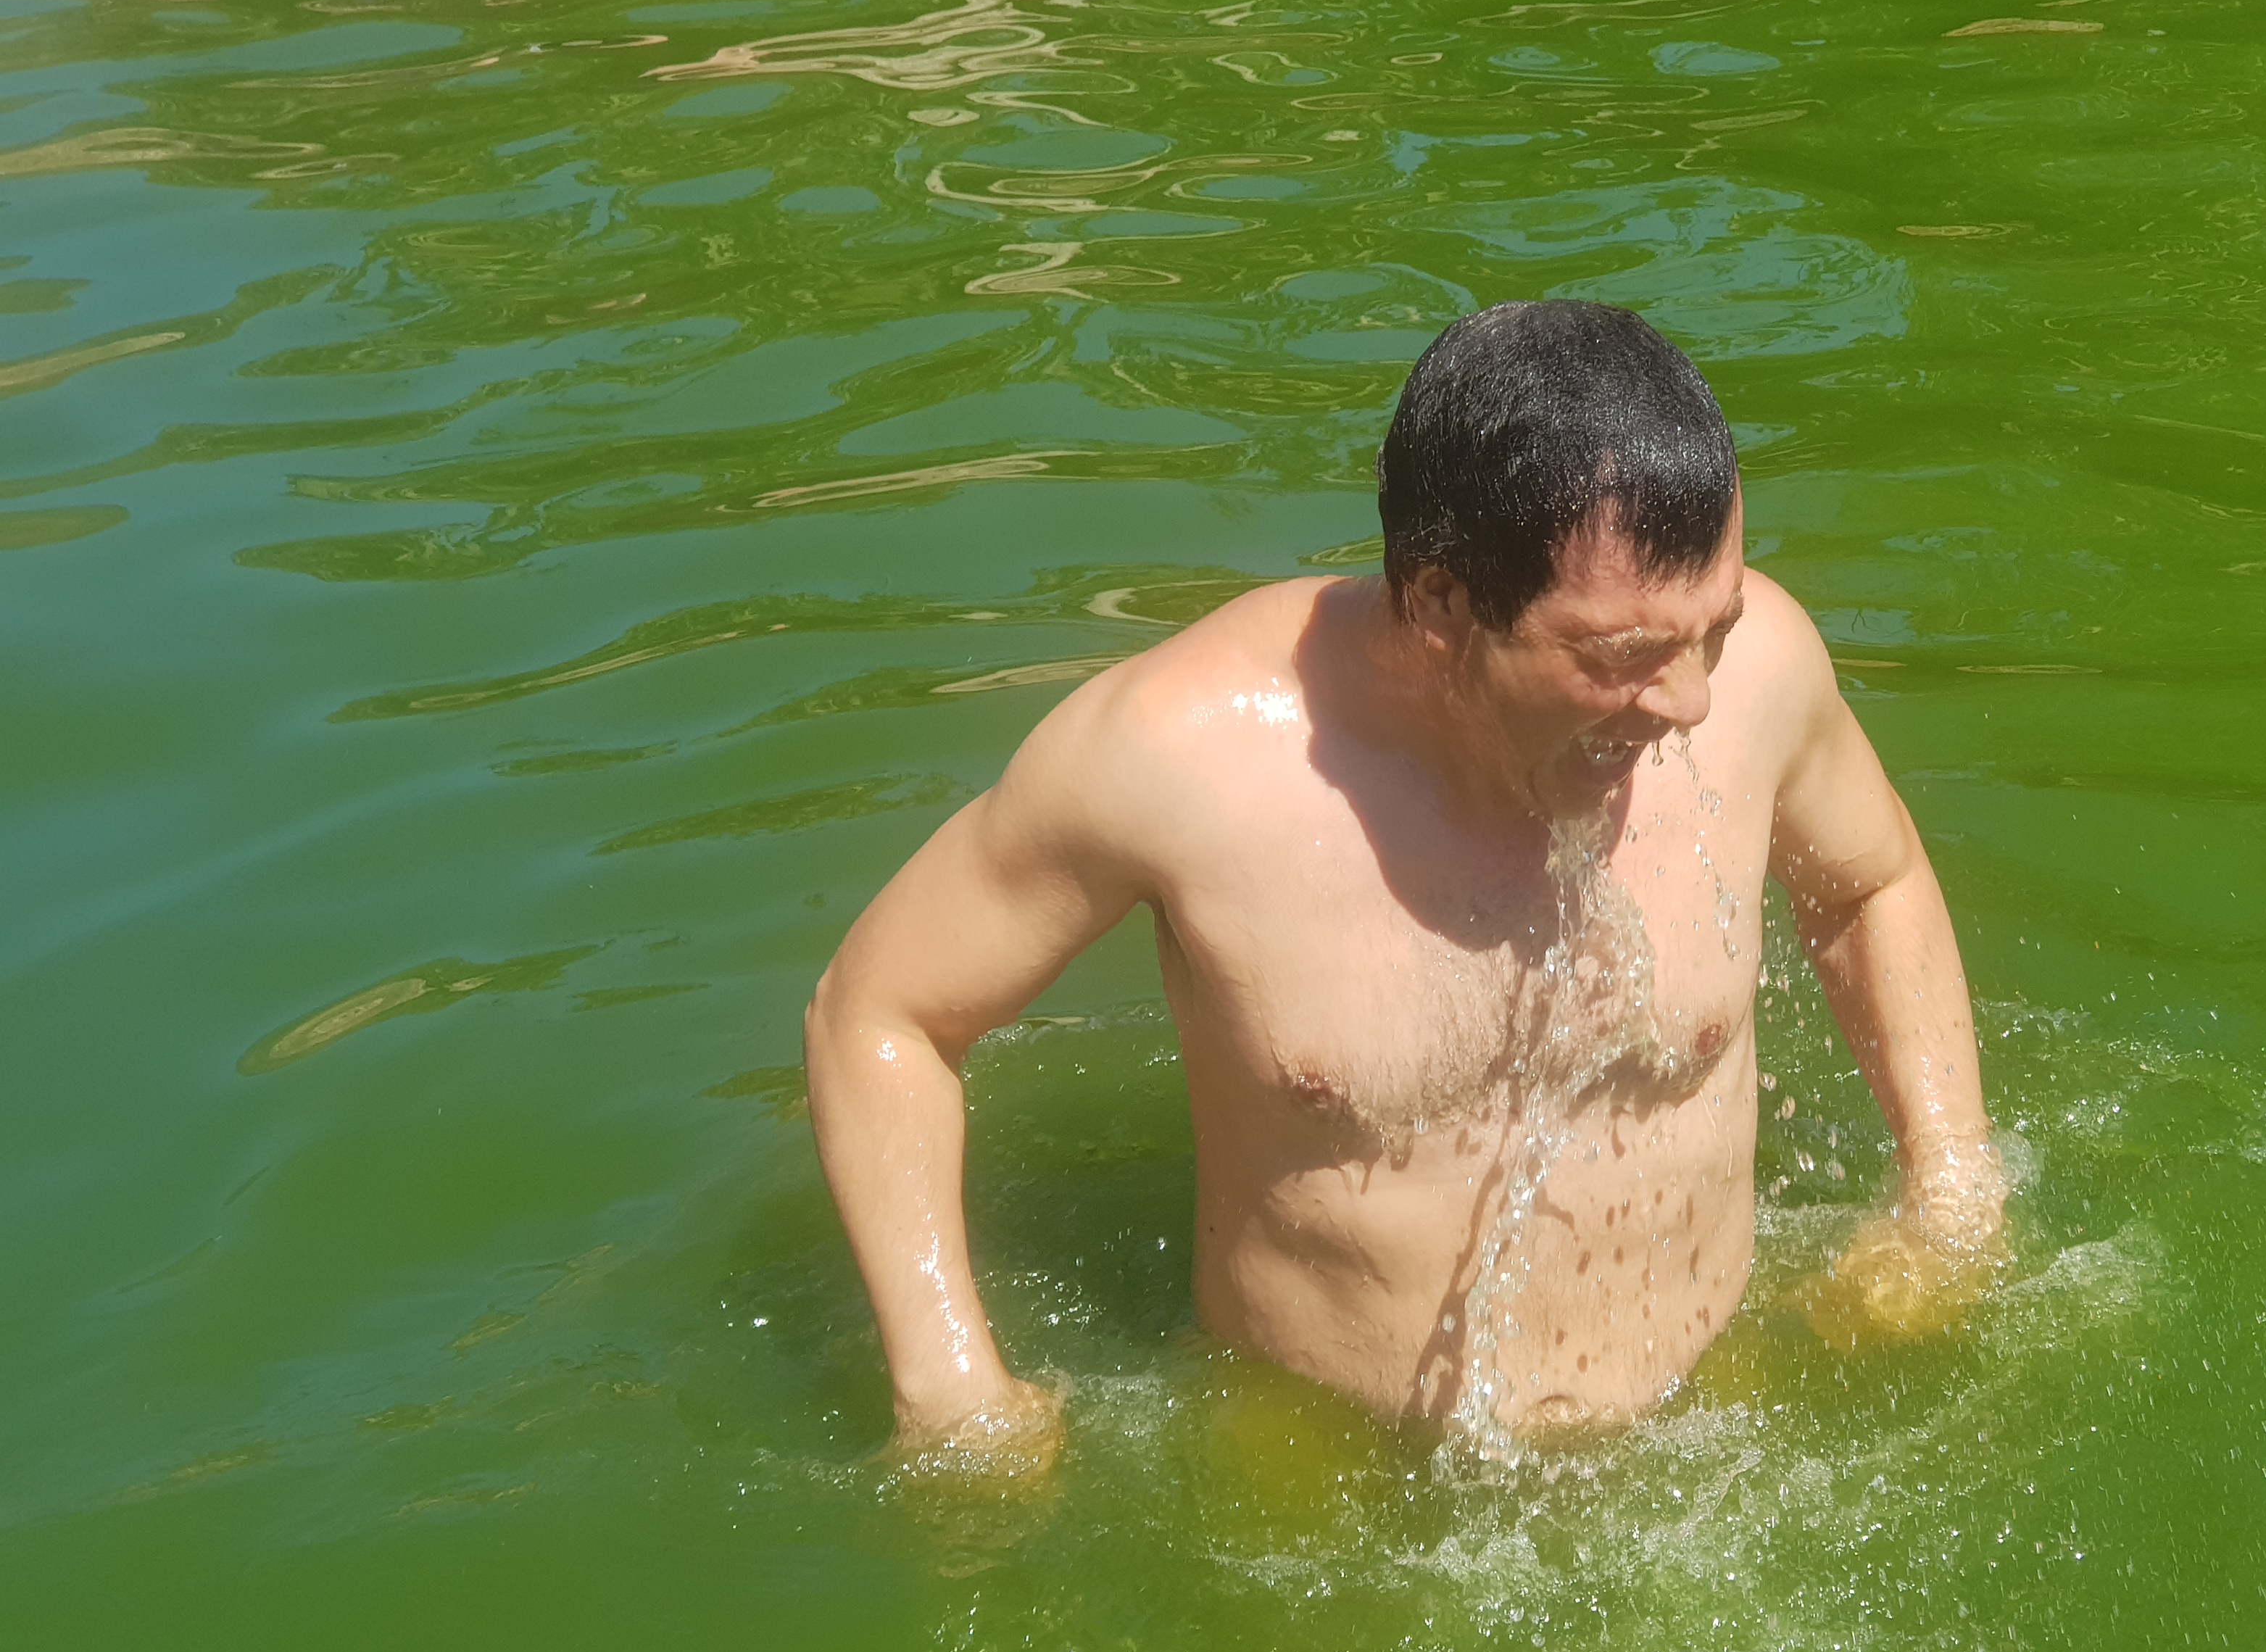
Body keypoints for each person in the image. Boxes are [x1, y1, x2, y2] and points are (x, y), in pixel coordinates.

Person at [805, 300, 2004, 1477]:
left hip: (1708, 1440)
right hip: (1317, 1474)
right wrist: (953, 1387)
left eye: (1714, 630)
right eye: (1623, 657)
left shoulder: (1763, 677)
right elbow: (880, 1015)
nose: (1691, 702)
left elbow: (1871, 884)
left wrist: (1950, 1190)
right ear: (1439, 603)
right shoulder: (1183, 757)